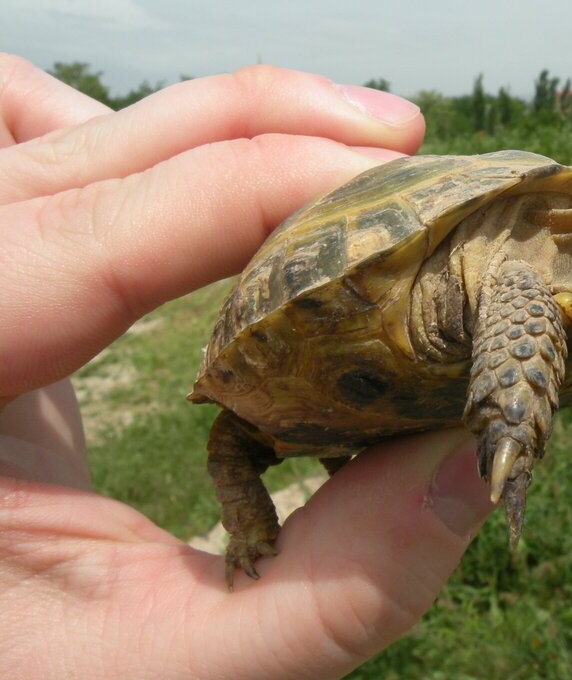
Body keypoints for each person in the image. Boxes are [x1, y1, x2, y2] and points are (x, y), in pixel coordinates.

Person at [0, 54, 495, 679]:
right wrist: (249, 528)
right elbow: (232, 448)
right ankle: (250, 531)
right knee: (234, 445)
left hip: (370, 372)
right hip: (298, 355)